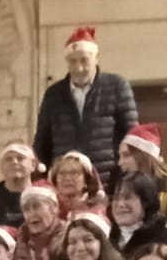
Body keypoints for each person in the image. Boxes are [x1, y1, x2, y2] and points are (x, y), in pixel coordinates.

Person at [34, 27, 138, 173]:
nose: (79, 68)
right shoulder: (53, 94)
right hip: (66, 182)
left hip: (108, 179)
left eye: (84, 60)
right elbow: (42, 142)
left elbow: (132, 135)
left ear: (96, 58)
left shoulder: (117, 86)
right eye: (73, 61)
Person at [106, 171, 167, 260]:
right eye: (116, 198)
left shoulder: (166, 243)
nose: (120, 204)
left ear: (146, 201)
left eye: (127, 197)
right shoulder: (108, 239)